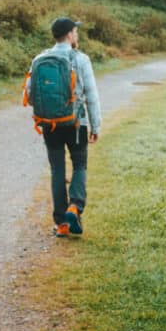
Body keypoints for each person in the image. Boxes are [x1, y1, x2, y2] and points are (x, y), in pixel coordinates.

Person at [27, 17, 101, 237]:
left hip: (50, 124)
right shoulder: (80, 59)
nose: (76, 35)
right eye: (76, 32)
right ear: (69, 35)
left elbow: (31, 96)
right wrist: (95, 125)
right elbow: (91, 96)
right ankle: (75, 206)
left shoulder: (39, 59)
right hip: (76, 123)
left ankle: (61, 224)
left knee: (57, 170)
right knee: (79, 165)